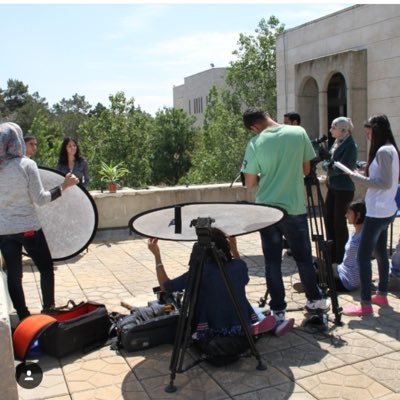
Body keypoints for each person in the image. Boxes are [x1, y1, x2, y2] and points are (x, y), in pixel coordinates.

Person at [241, 108, 330, 334]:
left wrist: (267, 176)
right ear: (267, 115)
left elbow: (250, 183)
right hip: (294, 208)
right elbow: (306, 168)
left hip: (268, 211)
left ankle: (279, 310)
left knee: (272, 262)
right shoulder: (298, 132)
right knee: (303, 258)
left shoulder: (255, 143)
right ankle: (315, 300)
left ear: (254, 127)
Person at [0, 122, 79, 320]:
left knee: (14, 275)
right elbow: (41, 198)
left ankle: (23, 316)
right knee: (45, 267)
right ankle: (48, 309)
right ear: (17, 140)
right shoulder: (26, 164)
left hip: (4, 230)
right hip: (29, 228)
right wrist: (65, 186)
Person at [147, 228, 278, 343]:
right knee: (248, 307)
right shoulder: (239, 266)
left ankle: (262, 321)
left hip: (209, 329)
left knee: (231, 305)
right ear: (225, 247)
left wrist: (157, 256)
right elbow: (243, 275)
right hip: (240, 323)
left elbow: (165, 286)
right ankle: (267, 323)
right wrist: (234, 249)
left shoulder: (200, 271)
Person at [343, 114, 400, 316]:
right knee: (381, 253)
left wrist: (357, 178)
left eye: (369, 133)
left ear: (377, 131)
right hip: (386, 210)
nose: (367, 137)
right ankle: (381, 294)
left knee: (363, 256)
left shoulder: (384, 151)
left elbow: (384, 183)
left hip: (377, 212)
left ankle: (365, 304)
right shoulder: (390, 149)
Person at [322, 117, 358, 264]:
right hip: (333, 186)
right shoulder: (337, 143)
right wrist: (329, 166)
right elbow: (327, 163)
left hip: (344, 189)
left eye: (333, 127)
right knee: (328, 218)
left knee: (339, 223)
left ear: (343, 130)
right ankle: (330, 254)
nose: (330, 130)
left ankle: (339, 256)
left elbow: (343, 167)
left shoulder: (350, 146)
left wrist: (329, 166)